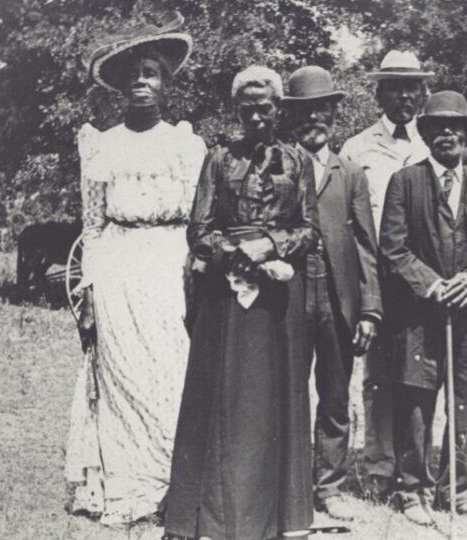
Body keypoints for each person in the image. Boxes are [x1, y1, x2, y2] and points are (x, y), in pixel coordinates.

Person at [163, 66, 320, 540]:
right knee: (222, 398)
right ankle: (209, 516)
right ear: (237, 110)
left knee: (274, 401)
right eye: (247, 107)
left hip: (276, 298)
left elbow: (310, 229)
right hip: (225, 295)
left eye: (265, 107)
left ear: (278, 110)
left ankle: (277, 518)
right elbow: (199, 227)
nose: (256, 115)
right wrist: (234, 255)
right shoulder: (217, 160)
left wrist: (270, 245)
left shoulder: (298, 162)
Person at [65, 12, 207, 525]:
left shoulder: (186, 145)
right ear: (121, 88)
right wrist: (91, 290)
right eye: (134, 76)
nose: (142, 83)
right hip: (119, 267)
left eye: (152, 73)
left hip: (170, 267)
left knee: (169, 372)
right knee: (122, 374)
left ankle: (172, 484)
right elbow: (94, 226)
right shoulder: (102, 145)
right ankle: (126, 486)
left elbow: (199, 223)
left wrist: (196, 276)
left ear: (167, 83)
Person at [379, 91, 467, 525]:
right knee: (416, 401)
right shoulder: (406, 182)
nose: (447, 134)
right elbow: (393, 250)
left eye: (456, 126)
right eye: (437, 127)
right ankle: (411, 489)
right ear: (426, 133)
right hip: (419, 316)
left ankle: (461, 487)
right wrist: (432, 285)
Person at [281, 66, 382, 521]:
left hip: (339, 297)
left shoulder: (352, 173)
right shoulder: (277, 165)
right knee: (288, 391)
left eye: (321, 110)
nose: (313, 120)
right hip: (289, 296)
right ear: (292, 117)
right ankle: (289, 482)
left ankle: (331, 484)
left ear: (334, 115)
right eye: (304, 112)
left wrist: (370, 310)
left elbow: (366, 244)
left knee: (335, 396)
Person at [338, 50, 433, 498]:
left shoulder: (433, 144)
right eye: (395, 86)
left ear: (422, 92)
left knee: (418, 375)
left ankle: (416, 466)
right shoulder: (356, 149)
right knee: (377, 374)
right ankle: (378, 468)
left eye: (412, 87)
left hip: (421, 280)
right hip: (375, 278)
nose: (405, 96)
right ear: (378, 91)